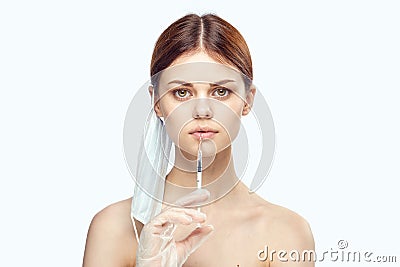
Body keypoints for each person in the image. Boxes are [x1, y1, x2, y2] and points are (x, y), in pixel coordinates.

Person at [83, 13, 314, 267]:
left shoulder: (286, 232)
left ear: (247, 100)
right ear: (156, 102)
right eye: (182, 92)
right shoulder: (113, 228)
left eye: (221, 91)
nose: (202, 110)